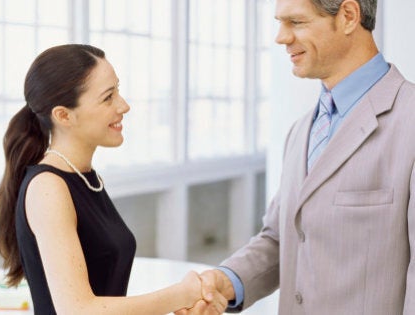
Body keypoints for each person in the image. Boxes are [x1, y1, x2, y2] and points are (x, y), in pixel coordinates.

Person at [177, 0, 415, 314]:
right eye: (280, 22)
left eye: (296, 22)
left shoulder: (409, 120)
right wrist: (228, 279)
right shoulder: (302, 130)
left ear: (348, 16)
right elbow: (282, 237)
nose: (281, 37)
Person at [0, 44, 227, 314]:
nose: (123, 105)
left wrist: (187, 300)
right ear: (63, 115)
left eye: (118, 90)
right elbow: (78, 310)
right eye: (108, 97)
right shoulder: (48, 188)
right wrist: (182, 295)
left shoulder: (85, 178)